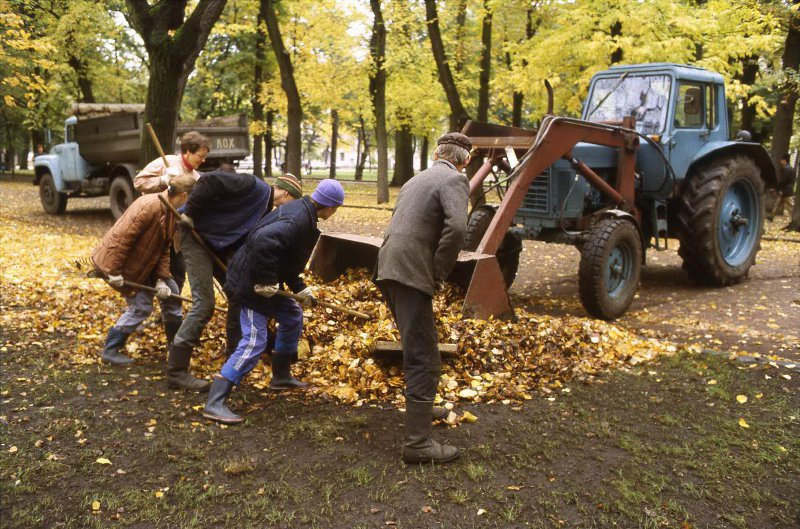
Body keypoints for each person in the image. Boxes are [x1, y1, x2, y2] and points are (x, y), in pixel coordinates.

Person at [202, 179, 345, 424]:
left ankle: (280, 376)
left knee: (292, 315)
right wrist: (267, 280)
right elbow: (262, 243)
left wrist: (301, 288)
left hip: (262, 282)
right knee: (254, 341)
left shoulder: (304, 214)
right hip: (249, 286)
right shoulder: (296, 219)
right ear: (331, 207)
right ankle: (215, 402)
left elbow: (285, 258)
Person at [373, 132, 472, 464]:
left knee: (415, 347)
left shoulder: (415, 180)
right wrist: (439, 272)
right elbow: (458, 229)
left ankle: (423, 409)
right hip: (412, 272)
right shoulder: (455, 180)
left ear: (437, 154)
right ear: (466, 160)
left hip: (388, 266)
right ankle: (417, 445)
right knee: (425, 359)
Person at [168, 168, 303, 392]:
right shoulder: (252, 186)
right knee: (204, 304)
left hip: (218, 243)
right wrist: (190, 213)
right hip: (195, 235)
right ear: (286, 195)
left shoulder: (266, 209)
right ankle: (176, 372)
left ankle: (233, 358)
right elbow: (210, 180)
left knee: (238, 294)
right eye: (293, 202)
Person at [91, 173, 197, 365]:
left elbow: (163, 248)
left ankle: (175, 346)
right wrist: (113, 272)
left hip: (146, 262)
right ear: (184, 195)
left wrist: (162, 278)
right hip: (125, 265)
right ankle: (111, 349)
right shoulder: (149, 206)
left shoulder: (171, 211)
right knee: (141, 307)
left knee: (172, 295)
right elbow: (122, 238)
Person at [134, 131, 211, 293]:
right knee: (148, 272)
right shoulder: (166, 162)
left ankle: (168, 316)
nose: (203, 160)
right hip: (155, 227)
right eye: (200, 155)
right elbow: (139, 182)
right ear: (188, 151)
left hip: (176, 234)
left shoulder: (196, 177)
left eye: (205, 157)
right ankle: (141, 307)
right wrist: (162, 180)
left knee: (177, 273)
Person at [770, 153, 796, 220]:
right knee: (778, 203)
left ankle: (795, 219)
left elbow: (783, 181)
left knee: (790, 206)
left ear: (784, 160)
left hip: (786, 190)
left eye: (781, 160)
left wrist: (776, 189)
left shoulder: (786, 169)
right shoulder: (792, 169)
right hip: (787, 190)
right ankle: (771, 216)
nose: (780, 161)